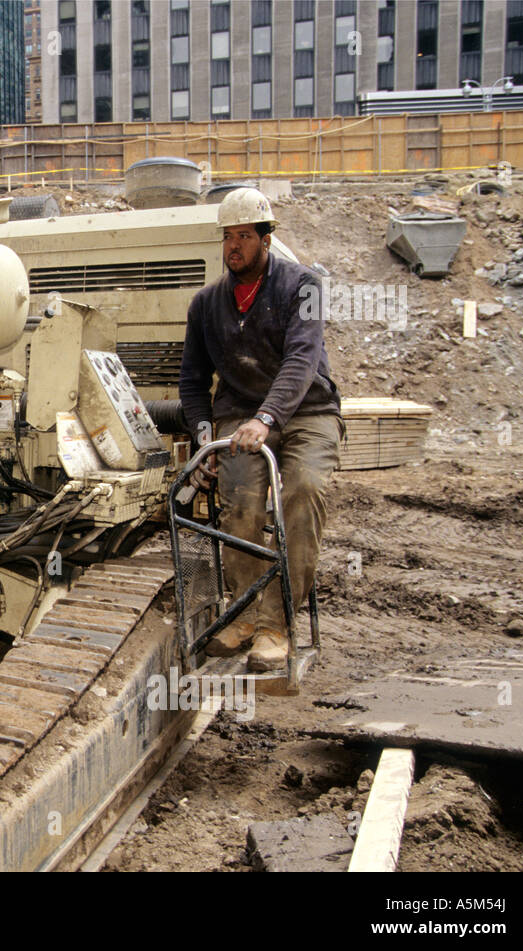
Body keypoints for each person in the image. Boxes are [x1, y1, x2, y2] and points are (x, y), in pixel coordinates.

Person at [178, 187, 343, 672]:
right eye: (228, 237)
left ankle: (276, 625)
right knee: (240, 500)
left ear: (266, 239)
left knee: (303, 492)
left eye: (245, 236)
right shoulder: (206, 305)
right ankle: (245, 614)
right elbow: (191, 381)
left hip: (307, 411)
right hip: (240, 414)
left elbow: (300, 361)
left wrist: (267, 418)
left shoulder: (304, 287)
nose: (234, 246)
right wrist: (206, 436)